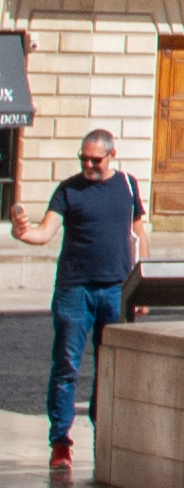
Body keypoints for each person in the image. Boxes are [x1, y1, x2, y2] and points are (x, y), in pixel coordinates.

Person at [12, 129, 146, 466]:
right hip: (75, 289)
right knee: (67, 365)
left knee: (110, 366)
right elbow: (44, 232)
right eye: (83, 158)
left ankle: (106, 433)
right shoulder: (68, 190)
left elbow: (139, 235)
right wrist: (23, 232)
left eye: (95, 160)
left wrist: (143, 284)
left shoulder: (128, 186)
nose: (88, 164)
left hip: (116, 289)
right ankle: (61, 441)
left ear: (111, 156)